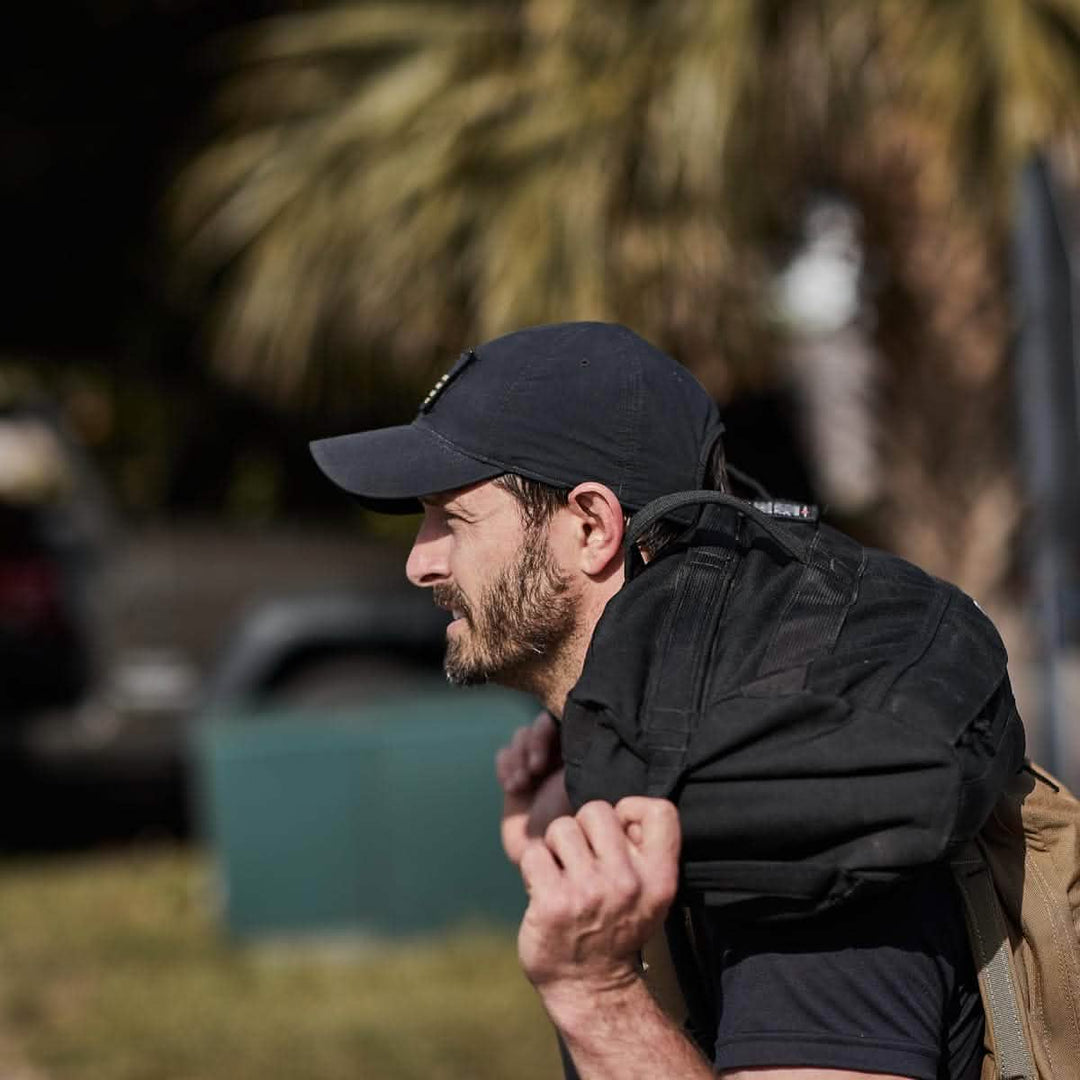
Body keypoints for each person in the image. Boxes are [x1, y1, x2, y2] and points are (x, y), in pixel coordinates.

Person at [310, 322, 985, 1080]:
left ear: (592, 527)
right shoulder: (674, 760)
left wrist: (597, 994)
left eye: (452, 518)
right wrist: (579, 871)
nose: (419, 563)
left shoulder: (796, 808)